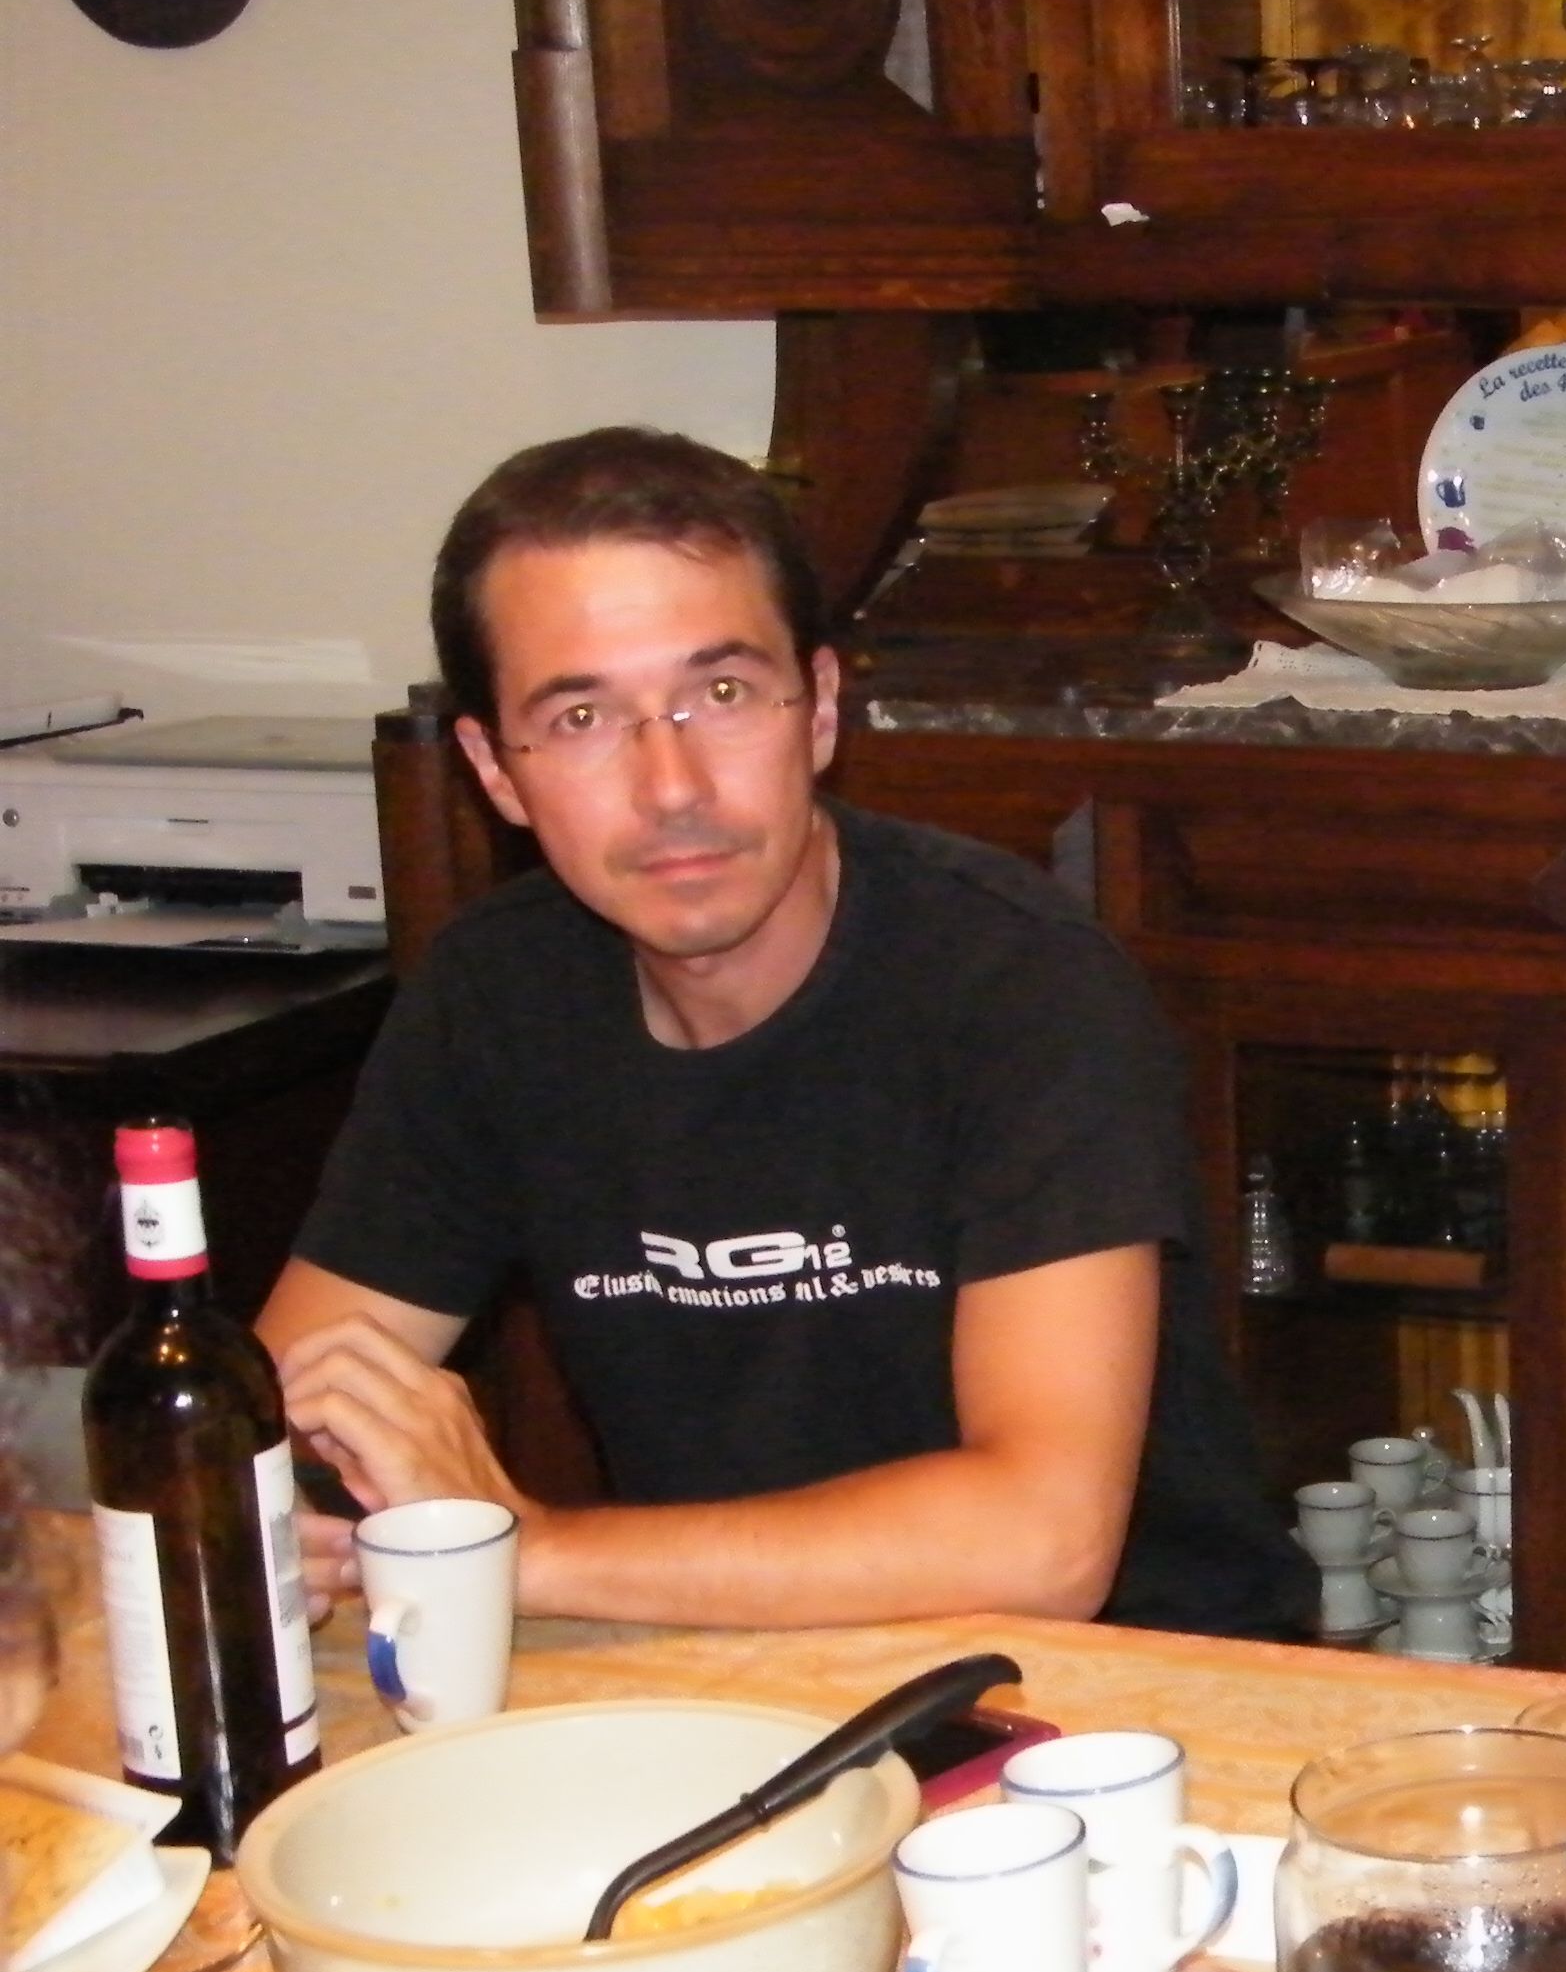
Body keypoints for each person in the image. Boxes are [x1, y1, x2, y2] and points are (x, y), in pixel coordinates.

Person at [260, 429, 1306, 1637]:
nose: (672, 787)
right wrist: (289, 1502)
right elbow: (279, 1411)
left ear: (818, 711)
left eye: (722, 694)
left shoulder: (1020, 983)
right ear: (496, 773)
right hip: (728, 1667)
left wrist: (515, 1550)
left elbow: (1042, 1544)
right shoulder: (496, 996)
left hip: (1122, 1698)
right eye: (584, 716)